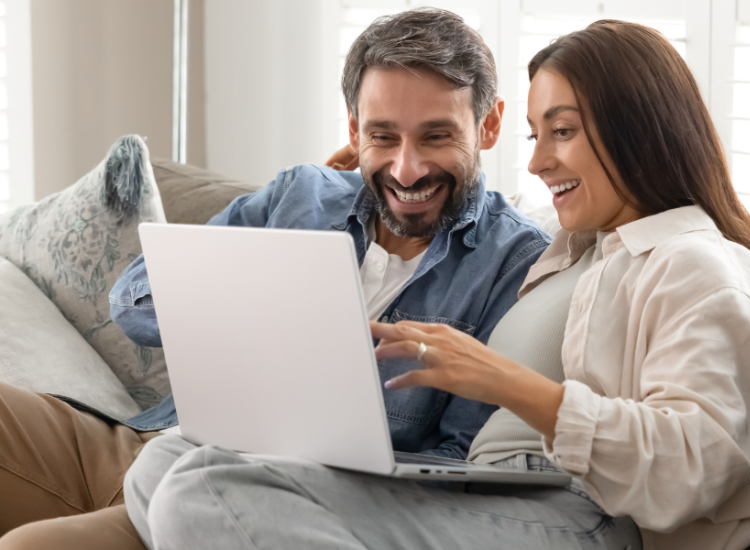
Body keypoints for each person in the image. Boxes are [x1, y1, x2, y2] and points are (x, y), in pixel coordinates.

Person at [115, 18, 750, 550]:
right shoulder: (581, 252)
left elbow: (696, 465)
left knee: (198, 493)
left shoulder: (701, 266)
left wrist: (503, 381)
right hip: (479, 488)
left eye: (560, 131)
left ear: (640, 130)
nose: (534, 161)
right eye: (534, 134)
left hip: (576, 516)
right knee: (165, 462)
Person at [0, 8, 550, 548]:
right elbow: (132, 304)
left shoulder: (515, 261)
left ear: (490, 124)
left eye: (435, 137)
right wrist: (254, 284)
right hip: (142, 437)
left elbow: (459, 466)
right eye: (383, 137)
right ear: (355, 129)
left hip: (260, 491)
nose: (407, 169)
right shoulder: (303, 194)